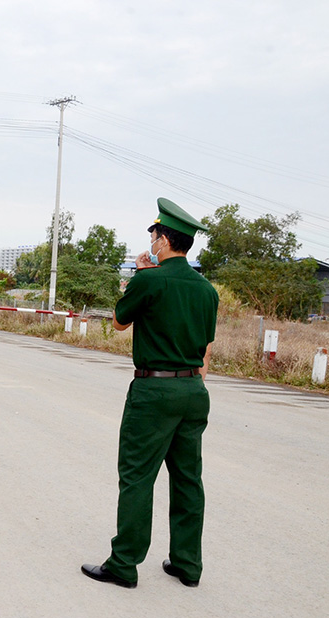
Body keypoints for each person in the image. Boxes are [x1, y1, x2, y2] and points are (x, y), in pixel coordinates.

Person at [82, 198, 218, 589]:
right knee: (188, 479)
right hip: (194, 389)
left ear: (162, 240)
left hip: (154, 389)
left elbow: (120, 323)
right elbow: (207, 348)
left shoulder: (150, 278)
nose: (153, 242)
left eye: (155, 235)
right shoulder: (207, 290)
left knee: (138, 475)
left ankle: (124, 564)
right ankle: (187, 565)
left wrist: (138, 277)